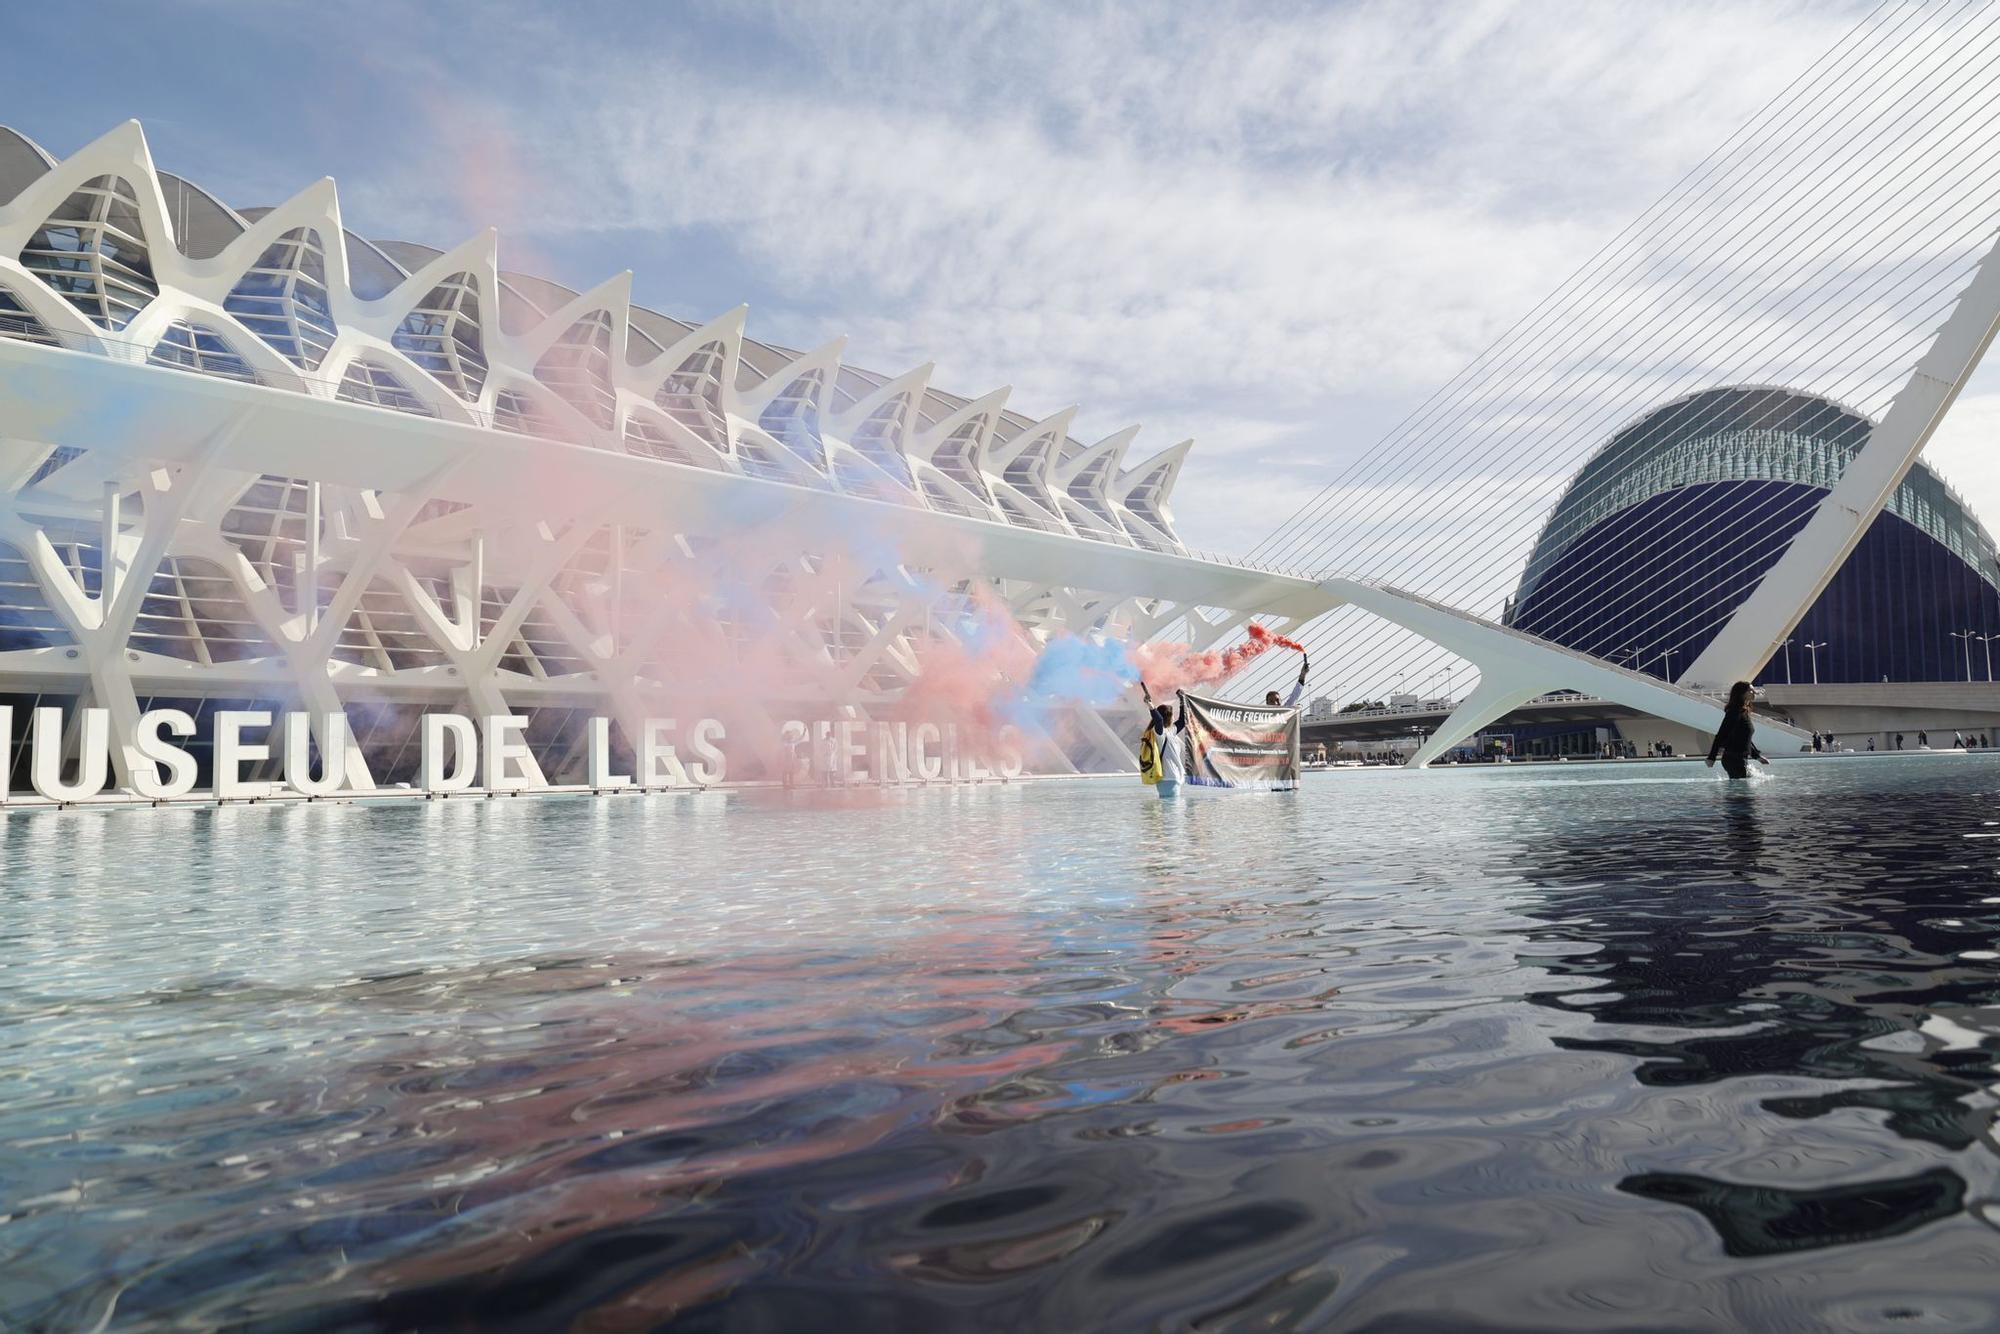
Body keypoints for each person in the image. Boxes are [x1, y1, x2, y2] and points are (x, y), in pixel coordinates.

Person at [1705, 680, 1770, 779]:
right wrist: (1711, 757)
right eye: (1751, 691)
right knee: (1742, 791)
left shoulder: (1744, 712)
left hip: (1740, 759)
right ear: (1742, 693)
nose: (1755, 693)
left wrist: (1757, 756)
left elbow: (1744, 739)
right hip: (1733, 759)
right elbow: (1721, 734)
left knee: (1749, 786)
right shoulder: (1734, 712)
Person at [1140, 682, 1189, 799]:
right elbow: (1158, 720)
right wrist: (1150, 705)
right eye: (1172, 715)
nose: (1174, 718)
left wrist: (1182, 701)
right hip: (1168, 778)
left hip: (1173, 777)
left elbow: (1183, 721)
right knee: (1172, 812)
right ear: (1169, 717)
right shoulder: (1159, 733)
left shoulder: (1170, 732)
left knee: (1170, 813)